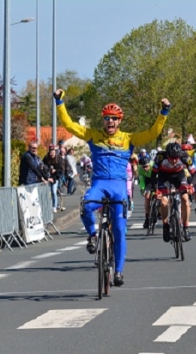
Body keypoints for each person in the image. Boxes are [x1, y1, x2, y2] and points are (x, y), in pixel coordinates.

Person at [54, 88, 170, 287]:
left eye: (114, 118)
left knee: (119, 228)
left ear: (119, 121)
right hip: (99, 183)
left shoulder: (128, 139)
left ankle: (118, 271)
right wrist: (59, 102)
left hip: (118, 186)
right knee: (87, 205)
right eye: (107, 118)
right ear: (103, 120)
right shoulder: (92, 135)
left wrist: (163, 112)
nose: (110, 122)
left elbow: (153, 132)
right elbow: (69, 125)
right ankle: (92, 235)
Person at [154, 142, 195, 242]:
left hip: (179, 177)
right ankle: (165, 226)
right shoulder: (160, 157)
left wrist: (191, 185)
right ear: (167, 155)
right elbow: (153, 174)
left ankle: (185, 228)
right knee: (164, 201)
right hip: (164, 178)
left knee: (185, 199)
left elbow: (195, 173)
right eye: (171, 158)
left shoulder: (185, 157)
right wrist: (156, 190)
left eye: (176, 157)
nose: (174, 160)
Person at [43, 144, 66, 212]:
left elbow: (62, 170)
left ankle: (54, 206)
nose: (52, 154)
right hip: (47, 177)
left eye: (53, 152)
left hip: (55, 178)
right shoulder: (46, 158)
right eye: (50, 152)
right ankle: (49, 205)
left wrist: (55, 171)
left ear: (55, 152)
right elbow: (43, 167)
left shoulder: (59, 159)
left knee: (53, 191)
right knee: (47, 192)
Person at [138, 155, 155, 228]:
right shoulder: (140, 169)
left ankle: (159, 211)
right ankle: (147, 218)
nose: (145, 168)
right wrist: (142, 189)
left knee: (158, 195)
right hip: (147, 180)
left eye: (146, 166)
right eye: (143, 167)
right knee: (147, 197)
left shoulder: (154, 166)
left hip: (155, 178)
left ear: (149, 164)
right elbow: (142, 181)